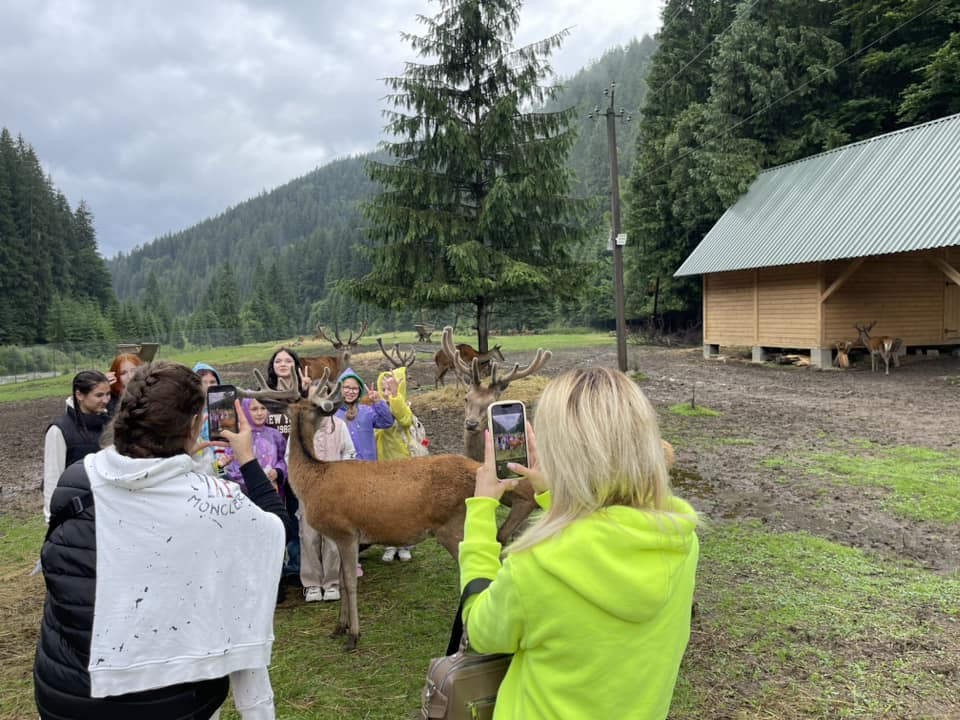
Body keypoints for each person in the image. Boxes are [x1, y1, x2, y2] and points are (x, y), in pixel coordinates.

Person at [34, 361, 293, 720]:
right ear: (192, 425)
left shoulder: (79, 479)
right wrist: (247, 459)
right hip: (167, 700)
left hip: (66, 694)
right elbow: (276, 532)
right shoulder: (216, 500)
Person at [460, 367, 700, 720]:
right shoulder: (680, 539)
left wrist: (481, 511)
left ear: (559, 452)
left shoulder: (538, 567)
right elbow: (601, 531)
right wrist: (551, 492)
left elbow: (480, 629)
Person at [263, 347, 311, 582]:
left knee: (302, 514)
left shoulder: (305, 392)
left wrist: (308, 393)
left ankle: (305, 564)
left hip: (299, 465)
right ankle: (288, 565)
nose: (283, 364)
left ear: (296, 364)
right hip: (273, 470)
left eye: (288, 360)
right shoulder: (265, 397)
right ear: (272, 366)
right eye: (278, 361)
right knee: (282, 515)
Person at [300, 411, 356, 603]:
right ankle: (312, 583)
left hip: (333, 491)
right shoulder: (301, 427)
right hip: (308, 490)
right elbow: (291, 455)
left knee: (332, 536)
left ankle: (331, 582)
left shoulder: (339, 425)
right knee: (309, 536)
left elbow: (349, 452)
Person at [42, 371, 111, 523]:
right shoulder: (59, 430)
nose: (106, 400)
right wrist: (51, 517)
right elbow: (52, 475)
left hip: (107, 507)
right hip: (75, 512)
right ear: (79, 395)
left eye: (108, 394)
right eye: (99, 395)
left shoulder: (110, 424)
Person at [374, 367, 416, 563]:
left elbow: (405, 420)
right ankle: (390, 544)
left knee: (404, 505)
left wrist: (395, 397)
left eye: (391, 386)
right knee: (386, 506)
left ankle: (405, 543)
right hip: (382, 462)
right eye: (384, 387)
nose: (387, 390)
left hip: (402, 462)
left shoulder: (403, 405)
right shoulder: (376, 405)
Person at [221, 397, 288, 500]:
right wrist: (258, 481)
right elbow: (227, 467)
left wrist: (277, 471)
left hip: (273, 494)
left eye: (263, 408)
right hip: (246, 495)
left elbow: (284, 459)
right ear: (245, 411)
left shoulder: (276, 435)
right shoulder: (237, 436)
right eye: (254, 409)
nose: (260, 413)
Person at [192, 361, 224, 475]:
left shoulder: (223, 415)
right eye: (203, 382)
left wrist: (221, 471)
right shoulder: (188, 416)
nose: (208, 386)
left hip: (217, 477)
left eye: (212, 382)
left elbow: (222, 458)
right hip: (194, 474)